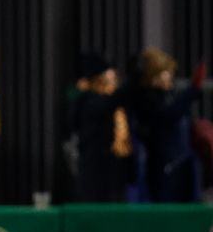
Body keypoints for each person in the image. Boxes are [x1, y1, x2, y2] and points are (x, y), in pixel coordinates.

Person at [128, 47, 206, 202]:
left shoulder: (168, 95)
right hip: (164, 168)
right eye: (166, 72)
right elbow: (167, 116)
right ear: (153, 75)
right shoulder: (146, 98)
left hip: (182, 164)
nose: (170, 76)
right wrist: (192, 92)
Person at [72, 53, 134, 202]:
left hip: (116, 169)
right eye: (110, 80)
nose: (114, 83)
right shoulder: (89, 102)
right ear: (99, 81)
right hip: (96, 173)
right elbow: (115, 99)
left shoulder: (114, 106)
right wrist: (135, 79)